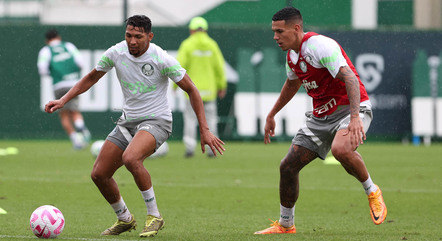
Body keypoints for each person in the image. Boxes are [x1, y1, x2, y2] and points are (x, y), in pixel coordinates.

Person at [45, 15, 225, 237]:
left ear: (150, 36)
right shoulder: (116, 52)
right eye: (128, 35)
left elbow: (192, 89)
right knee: (99, 174)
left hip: (157, 121)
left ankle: (155, 215)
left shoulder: (161, 58)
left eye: (138, 37)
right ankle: (124, 219)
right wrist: (64, 100)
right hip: (127, 122)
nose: (132, 41)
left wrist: (205, 129)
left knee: (131, 158)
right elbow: (91, 77)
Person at [254, 7, 387, 234]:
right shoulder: (292, 56)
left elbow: (351, 79)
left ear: (296, 28)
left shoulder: (319, 46)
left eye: (279, 31)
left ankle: (372, 191)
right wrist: (272, 114)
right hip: (320, 117)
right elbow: (292, 84)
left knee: (341, 150)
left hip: (350, 110)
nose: (275, 37)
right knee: (288, 166)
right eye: (274, 32)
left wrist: (355, 118)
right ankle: (286, 224)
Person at [176, 16, 227, 158]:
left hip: (191, 91)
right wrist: (221, 86)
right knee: (211, 121)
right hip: (209, 91)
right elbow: (219, 68)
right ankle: (212, 150)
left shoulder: (187, 44)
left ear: (192, 30)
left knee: (190, 120)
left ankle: (190, 149)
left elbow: (178, 67)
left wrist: (175, 86)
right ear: (205, 30)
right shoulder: (212, 45)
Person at [38, 29, 91, 149]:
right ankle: (81, 128)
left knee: (64, 114)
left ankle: (75, 140)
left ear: (47, 40)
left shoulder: (46, 50)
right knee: (75, 110)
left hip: (59, 84)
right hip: (73, 83)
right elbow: (80, 63)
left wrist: (54, 73)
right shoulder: (68, 46)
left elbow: (42, 69)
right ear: (59, 37)